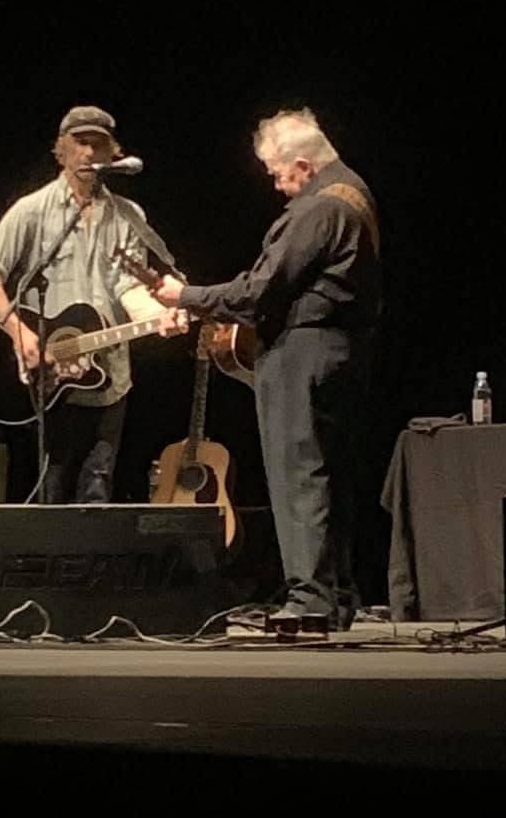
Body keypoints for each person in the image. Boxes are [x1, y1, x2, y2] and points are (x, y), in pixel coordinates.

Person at [155, 108, 381, 629]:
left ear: (302, 165)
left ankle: (308, 599)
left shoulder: (318, 208)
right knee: (331, 477)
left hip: (305, 352)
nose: (279, 187)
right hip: (345, 352)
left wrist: (185, 295)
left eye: (279, 175)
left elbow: (258, 291)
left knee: (297, 475)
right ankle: (337, 595)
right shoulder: (357, 193)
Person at [0, 104, 185, 504]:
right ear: (61, 150)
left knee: (97, 489)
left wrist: (159, 317)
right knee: (52, 488)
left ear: (112, 154)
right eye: (79, 143)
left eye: (98, 145)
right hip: (49, 378)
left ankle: (92, 568)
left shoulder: (128, 216)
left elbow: (127, 286)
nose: (88, 154)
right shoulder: (32, 210)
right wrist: (20, 334)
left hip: (109, 378)